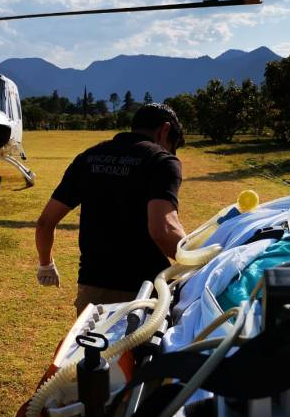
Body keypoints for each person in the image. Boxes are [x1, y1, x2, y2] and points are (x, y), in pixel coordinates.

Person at [35, 103, 187, 314]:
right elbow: (164, 230)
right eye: (173, 145)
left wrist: (46, 265)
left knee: (90, 337)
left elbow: (45, 222)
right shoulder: (161, 161)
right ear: (165, 130)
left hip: (93, 289)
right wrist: (199, 261)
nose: (172, 151)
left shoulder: (89, 157)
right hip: (144, 292)